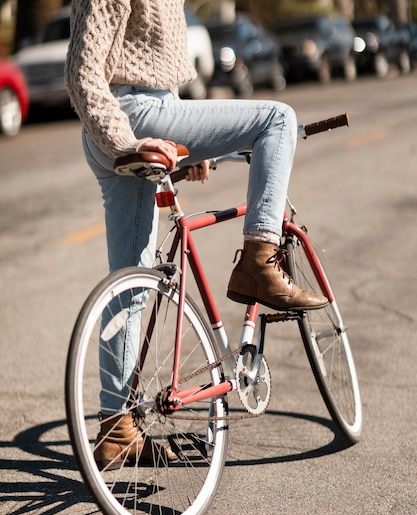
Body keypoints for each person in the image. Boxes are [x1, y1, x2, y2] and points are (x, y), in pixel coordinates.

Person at [65, 0, 327, 469]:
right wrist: (129, 142)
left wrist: (192, 140)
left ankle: (116, 428)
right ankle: (259, 262)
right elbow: (83, 74)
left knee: (131, 286)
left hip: (143, 117)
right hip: (131, 118)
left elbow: (150, 68)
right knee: (278, 119)